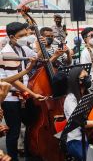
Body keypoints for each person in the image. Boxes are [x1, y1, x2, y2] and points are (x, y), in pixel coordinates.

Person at [0, 22, 46, 160]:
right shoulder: (6, 53)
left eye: (26, 34)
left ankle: (28, 155)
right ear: (12, 37)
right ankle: (12, 158)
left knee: (29, 127)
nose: (25, 37)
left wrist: (41, 44)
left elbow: (37, 56)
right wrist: (32, 93)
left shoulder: (22, 48)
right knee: (14, 132)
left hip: (23, 97)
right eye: (22, 35)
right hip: (10, 98)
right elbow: (11, 80)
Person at [64, 67, 93, 160]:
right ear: (78, 81)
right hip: (75, 141)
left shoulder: (85, 95)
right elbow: (80, 123)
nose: (88, 79)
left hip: (87, 137)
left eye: (88, 76)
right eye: (85, 77)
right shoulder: (70, 99)